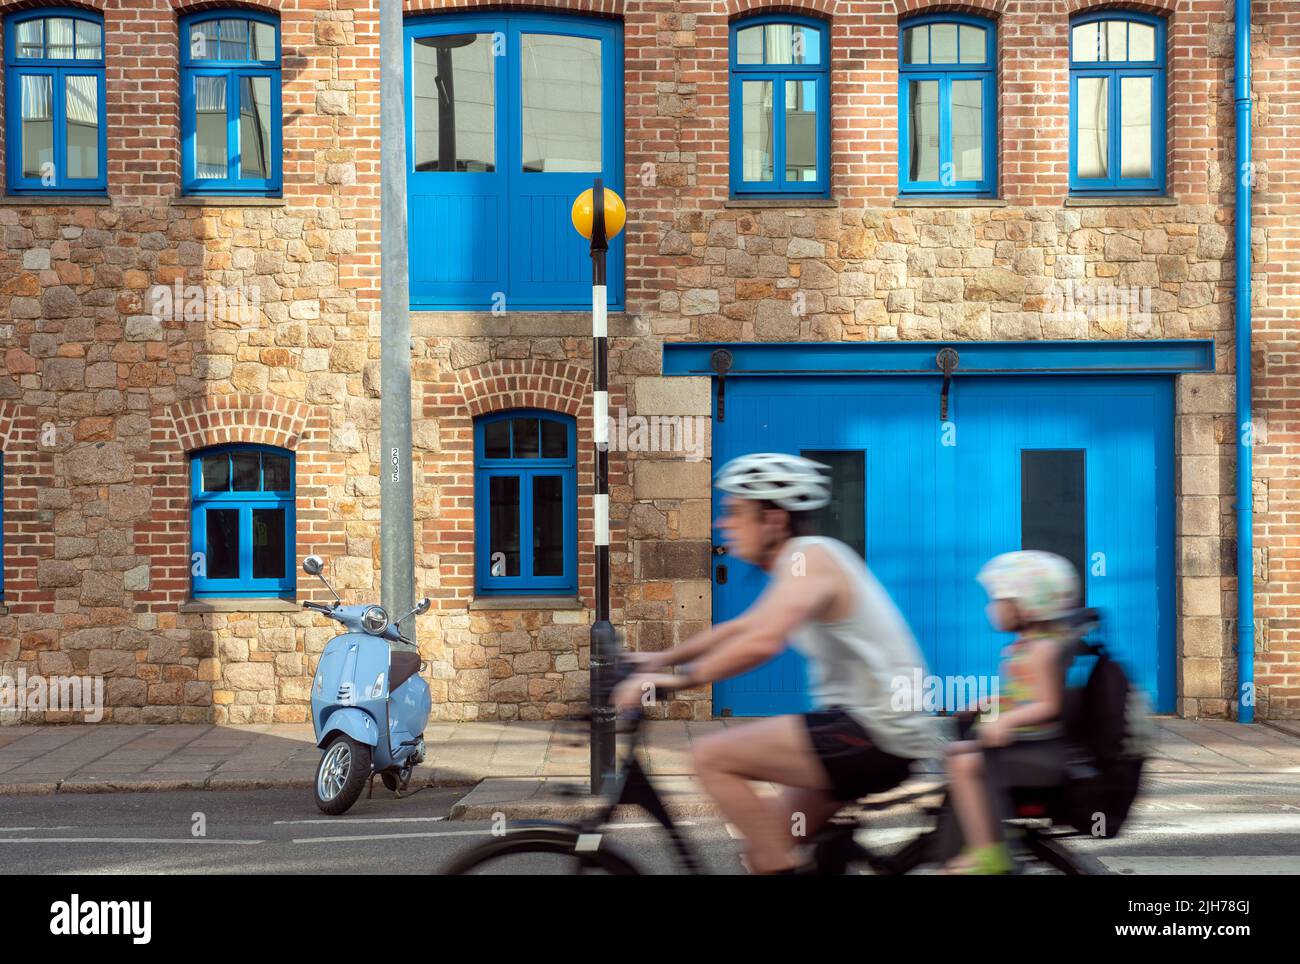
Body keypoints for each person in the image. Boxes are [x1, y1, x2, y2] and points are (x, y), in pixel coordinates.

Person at [612, 453, 938, 874]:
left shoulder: (811, 558)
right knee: (772, 841)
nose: (722, 525)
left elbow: (763, 642)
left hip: (873, 731)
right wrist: (661, 659)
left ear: (774, 520)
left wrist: (667, 684)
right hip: (861, 731)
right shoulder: (803, 561)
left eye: (735, 513)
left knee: (711, 758)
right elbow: (743, 628)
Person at [943, 550, 1080, 874]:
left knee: (962, 762)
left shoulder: (1043, 651)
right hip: (1023, 741)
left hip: (1036, 746)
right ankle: (975, 832)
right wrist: (989, 703)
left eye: (998, 600)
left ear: (1027, 604)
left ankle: (987, 852)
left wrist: (1007, 720)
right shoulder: (1023, 648)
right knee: (957, 753)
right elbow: (1020, 695)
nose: (991, 608)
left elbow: (1048, 704)